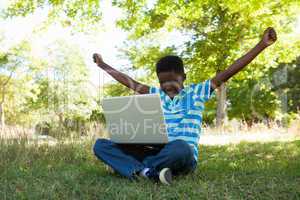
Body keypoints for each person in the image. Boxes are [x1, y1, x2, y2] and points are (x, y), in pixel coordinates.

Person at [92, 27, 277, 185]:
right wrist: (103, 65)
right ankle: (148, 172)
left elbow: (229, 71)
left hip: (181, 156)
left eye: (173, 80)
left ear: (184, 78)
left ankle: (135, 168)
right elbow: (129, 82)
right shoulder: (156, 95)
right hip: (156, 152)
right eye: (163, 82)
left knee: (181, 146)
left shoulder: (198, 92)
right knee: (101, 145)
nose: (168, 85)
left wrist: (262, 45)